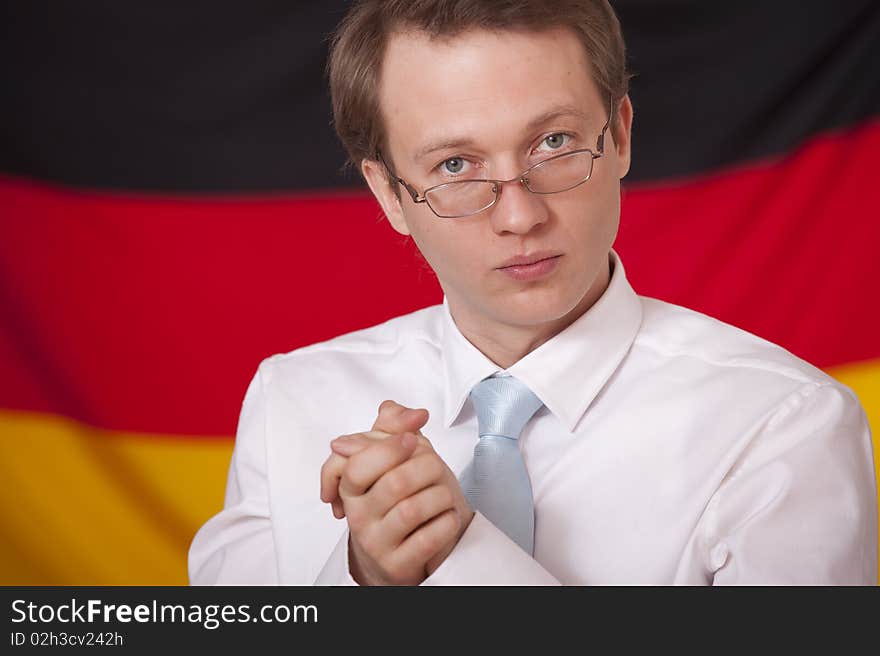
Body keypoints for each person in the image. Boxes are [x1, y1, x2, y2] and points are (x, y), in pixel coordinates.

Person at [188, 0, 877, 585]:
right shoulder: (292, 398)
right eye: (455, 165)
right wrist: (363, 582)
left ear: (622, 136)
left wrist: (457, 560)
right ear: (389, 194)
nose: (520, 216)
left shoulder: (786, 426)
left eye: (553, 143)